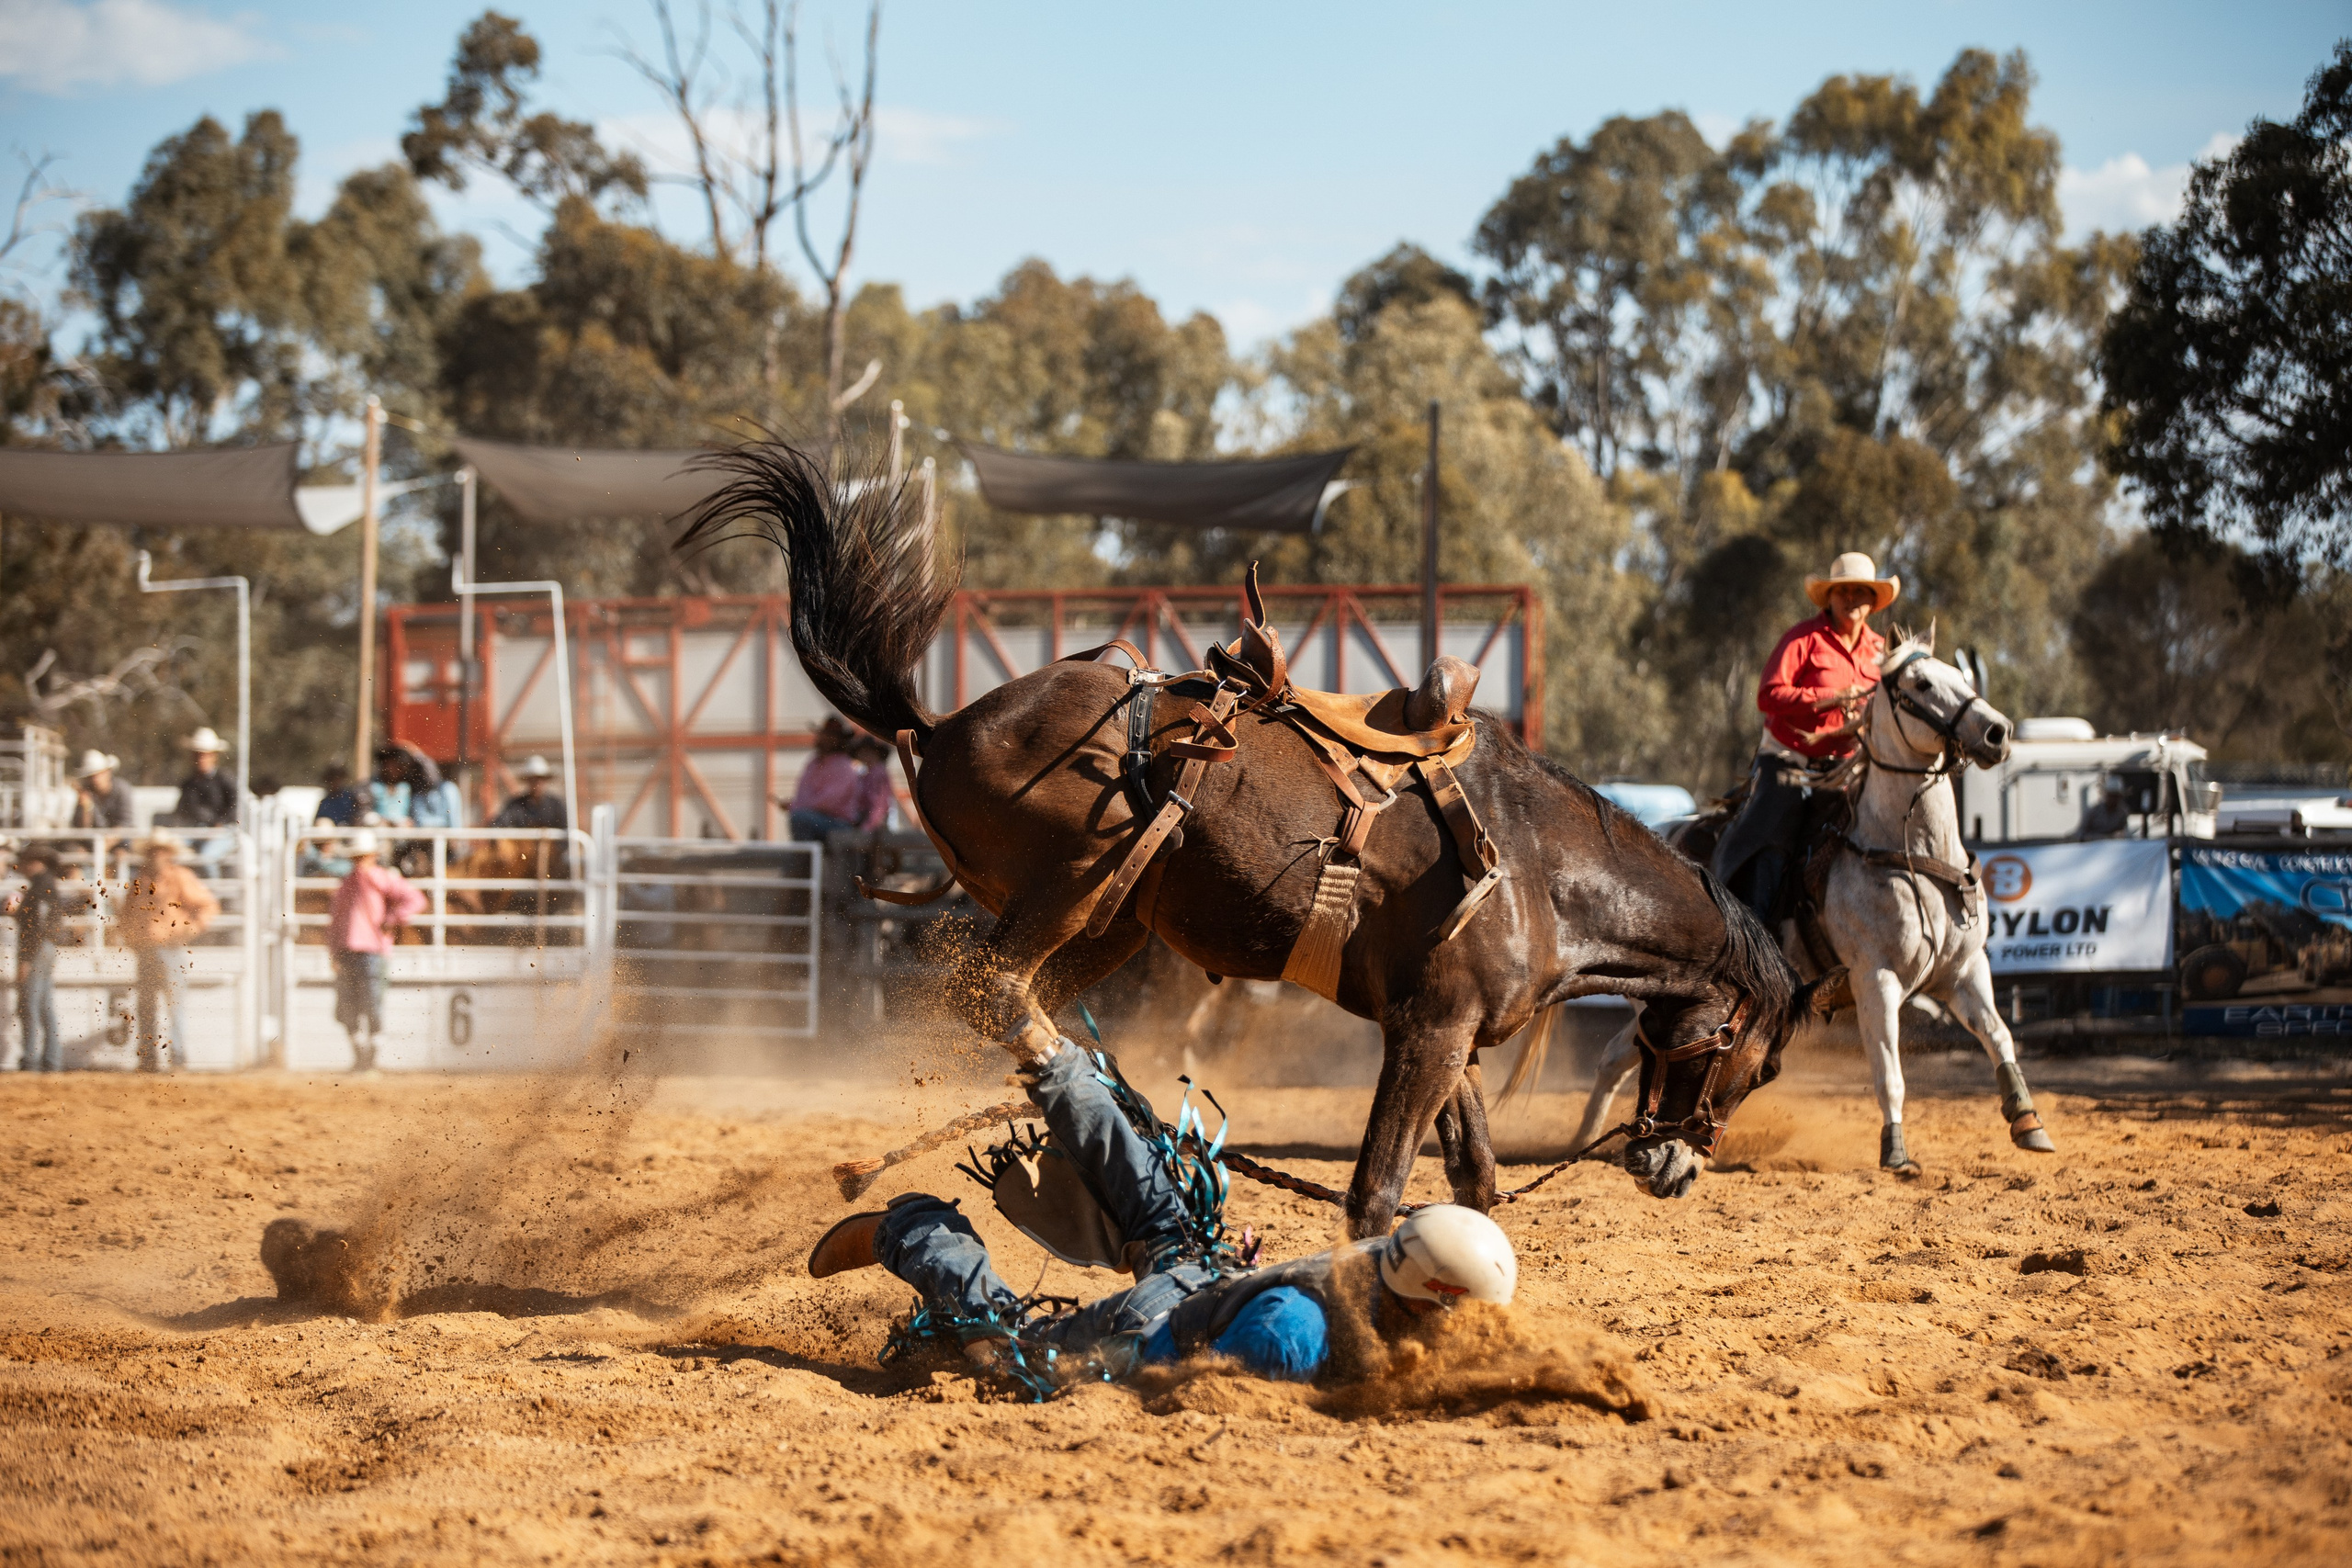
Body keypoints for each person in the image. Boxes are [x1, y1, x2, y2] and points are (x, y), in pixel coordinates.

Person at [806, 1034, 1517, 1388]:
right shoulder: (1289, 1337)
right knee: (1011, 1347)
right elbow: (1156, 1374)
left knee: (1164, 1215)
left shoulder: (1392, 1260)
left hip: (1212, 1277)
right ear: (1436, 1297)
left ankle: (1059, 1064)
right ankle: (915, 1225)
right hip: (1152, 1323)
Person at [1712, 552, 1897, 925]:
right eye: (1843, 591)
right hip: (1789, 758)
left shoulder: (1882, 652)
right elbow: (1767, 695)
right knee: (1772, 835)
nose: (1851, 599)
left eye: (1861, 592)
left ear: (1873, 602)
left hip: (1848, 766)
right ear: (1829, 597)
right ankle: (1754, 931)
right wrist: (1825, 699)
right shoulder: (1803, 639)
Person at [119, 831, 219, 1072]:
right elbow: (126, 914)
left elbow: (207, 905)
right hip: (147, 950)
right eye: (154, 851)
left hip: (170, 948)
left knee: (173, 1005)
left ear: (169, 854)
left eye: (161, 851)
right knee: (147, 1005)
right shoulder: (140, 881)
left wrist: (190, 929)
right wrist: (132, 939)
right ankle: (149, 1058)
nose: (157, 856)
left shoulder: (179, 877)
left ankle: (177, 1057)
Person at [326, 829, 424, 1072]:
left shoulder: (381, 879)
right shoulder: (349, 884)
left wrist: (393, 917)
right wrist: (334, 951)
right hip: (351, 952)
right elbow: (336, 920)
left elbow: (415, 900)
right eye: (356, 858)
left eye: (363, 857)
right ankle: (362, 1058)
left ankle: (369, 1060)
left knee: (371, 1007)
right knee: (348, 1009)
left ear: (371, 856)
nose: (359, 863)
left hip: (371, 952)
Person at [6, 846, 83, 1072]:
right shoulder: (45, 885)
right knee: (44, 1005)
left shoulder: (40, 887)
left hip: (37, 949)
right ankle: (50, 1058)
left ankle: (31, 1057)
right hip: (45, 947)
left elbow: (36, 926)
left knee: (29, 1005)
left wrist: (27, 959)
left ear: (36, 862)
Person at [784, 717, 863, 841]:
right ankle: (806, 857)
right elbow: (803, 792)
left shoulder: (844, 765)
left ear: (839, 740)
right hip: (819, 819)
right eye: (824, 735)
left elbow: (829, 801)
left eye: (831, 736)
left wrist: (797, 805)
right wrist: (796, 804)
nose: (825, 738)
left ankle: (806, 860)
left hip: (839, 823)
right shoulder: (813, 763)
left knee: (800, 819)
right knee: (801, 818)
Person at [172, 728, 238, 828]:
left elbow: (235, 806)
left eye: (204, 755)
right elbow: (182, 810)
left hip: (221, 832)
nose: (200, 759)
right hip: (193, 831)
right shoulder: (189, 783)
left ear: (214, 756)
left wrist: (221, 823)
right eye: (197, 755)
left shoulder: (224, 779)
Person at [491, 755, 567, 831]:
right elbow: (498, 824)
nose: (537, 784)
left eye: (540, 779)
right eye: (533, 779)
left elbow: (566, 832)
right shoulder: (516, 806)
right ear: (527, 781)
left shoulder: (556, 805)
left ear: (545, 780)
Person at [68, 750, 136, 836]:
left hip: (119, 841)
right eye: (91, 776)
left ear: (108, 772)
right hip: (93, 842)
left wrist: (104, 845)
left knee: (121, 850)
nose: (95, 779)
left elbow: (125, 823)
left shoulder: (122, 789)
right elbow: (81, 829)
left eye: (99, 774)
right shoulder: (86, 793)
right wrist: (86, 807)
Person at [851, 732, 897, 832]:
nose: (864, 755)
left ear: (877, 753)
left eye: (868, 752)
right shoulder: (866, 773)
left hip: (875, 822)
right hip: (867, 818)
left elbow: (879, 804)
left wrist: (868, 826)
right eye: (862, 751)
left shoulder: (878, 772)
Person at [314, 762, 368, 828]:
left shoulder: (351, 798)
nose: (335, 781)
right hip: (331, 835)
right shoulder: (325, 802)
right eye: (331, 778)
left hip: (349, 834)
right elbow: (317, 824)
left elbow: (357, 818)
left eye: (338, 778)